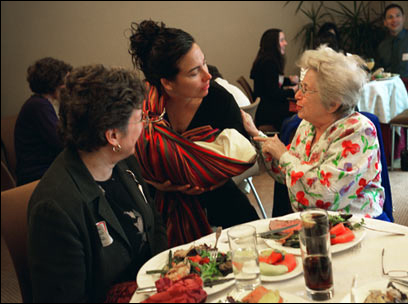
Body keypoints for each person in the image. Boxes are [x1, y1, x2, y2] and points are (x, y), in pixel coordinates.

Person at [27, 64, 168, 302]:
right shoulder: (55, 208)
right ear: (113, 136)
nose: (144, 125)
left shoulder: (124, 163)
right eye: (140, 118)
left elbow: (155, 224)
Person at [129, 20, 259, 247]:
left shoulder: (219, 101)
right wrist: (158, 183)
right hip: (160, 206)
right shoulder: (145, 108)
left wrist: (205, 177)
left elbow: (243, 158)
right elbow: (127, 160)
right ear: (167, 83)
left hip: (222, 201)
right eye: (194, 72)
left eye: (205, 64)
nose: (208, 76)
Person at [242, 45, 385, 218]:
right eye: (300, 87)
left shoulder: (358, 131)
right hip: (313, 223)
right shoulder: (308, 125)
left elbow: (324, 196)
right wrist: (256, 134)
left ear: (333, 103)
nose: (297, 96)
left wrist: (284, 155)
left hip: (354, 225)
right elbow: (289, 177)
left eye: (306, 90)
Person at [14, 57, 72, 186]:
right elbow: (61, 142)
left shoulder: (41, 104)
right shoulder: (39, 106)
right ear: (54, 82)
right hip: (37, 175)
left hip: (45, 170)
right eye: (65, 81)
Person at [250, 28, 299, 131]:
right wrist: (293, 90)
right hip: (268, 111)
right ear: (273, 43)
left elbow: (272, 81)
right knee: (301, 111)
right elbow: (274, 93)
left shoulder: (266, 59)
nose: (285, 43)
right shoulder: (269, 63)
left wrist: (289, 80)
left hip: (266, 106)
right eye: (282, 40)